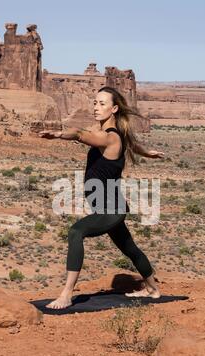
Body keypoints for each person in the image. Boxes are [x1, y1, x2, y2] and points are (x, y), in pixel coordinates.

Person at [39, 86, 165, 309]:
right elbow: (132, 144)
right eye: (95, 103)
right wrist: (147, 153)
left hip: (111, 208)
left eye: (102, 104)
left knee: (76, 232)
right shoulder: (117, 135)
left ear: (114, 108)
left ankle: (67, 294)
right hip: (105, 207)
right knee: (129, 248)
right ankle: (153, 289)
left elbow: (79, 134)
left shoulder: (109, 138)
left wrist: (60, 134)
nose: (96, 107)